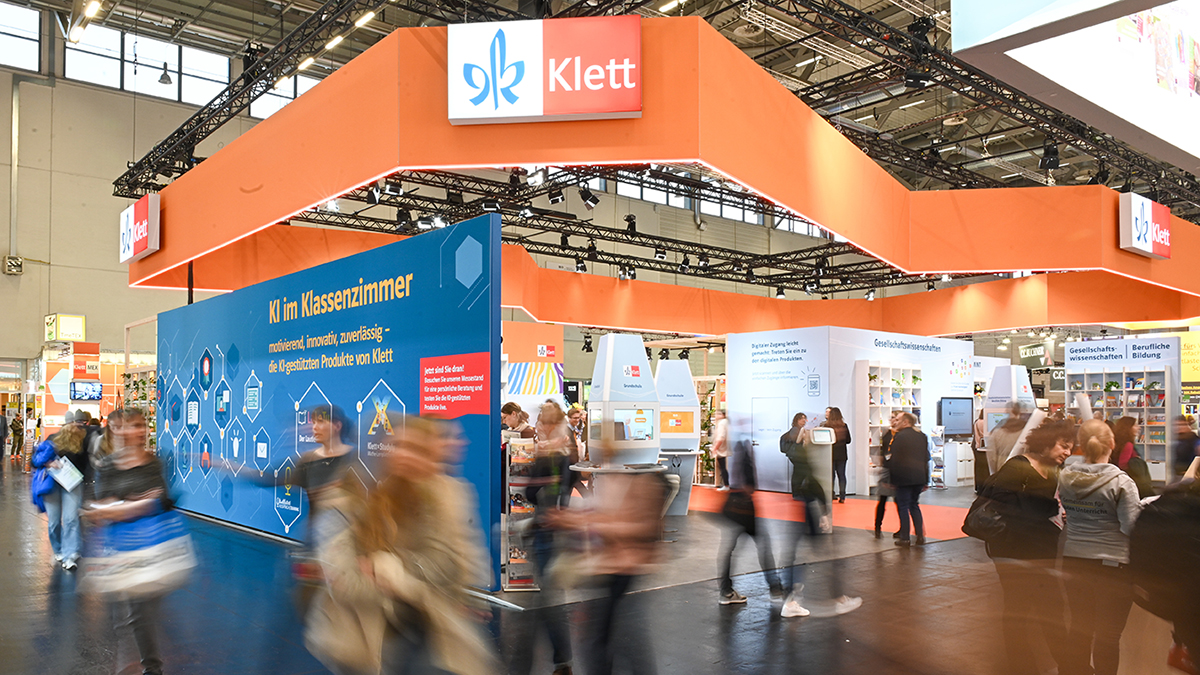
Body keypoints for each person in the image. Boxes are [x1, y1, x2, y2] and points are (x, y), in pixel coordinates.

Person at [311, 414, 499, 675]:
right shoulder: (346, 502)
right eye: (398, 446)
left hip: (427, 632)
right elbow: (346, 582)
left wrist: (386, 568)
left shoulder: (439, 500)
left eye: (418, 449)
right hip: (365, 638)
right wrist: (412, 579)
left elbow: (448, 565)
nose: (406, 456)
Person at [547, 443, 668, 675]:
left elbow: (636, 527)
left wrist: (592, 525)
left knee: (616, 642)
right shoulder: (615, 478)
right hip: (612, 571)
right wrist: (576, 520)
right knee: (605, 641)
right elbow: (606, 516)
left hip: (624, 571)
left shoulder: (640, 482)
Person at [981, 419, 1074, 675]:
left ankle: (1067, 665)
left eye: (1070, 447)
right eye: (1063, 445)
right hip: (1012, 551)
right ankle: (1023, 665)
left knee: (1050, 608)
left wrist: (1059, 511)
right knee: (1019, 609)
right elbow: (1000, 503)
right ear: (1046, 443)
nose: (1068, 452)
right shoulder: (1018, 466)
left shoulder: (1053, 470)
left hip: (1041, 549)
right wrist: (1049, 508)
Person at [83, 408, 172, 675]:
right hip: (124, 548)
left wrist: (133, 504)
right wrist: (133, 505)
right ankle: (150, 666)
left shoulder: (154, 462)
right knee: (135, 614)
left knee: (144, 612)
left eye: (143, 425)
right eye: (133, 425)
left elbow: (162, 499)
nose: (140, 431)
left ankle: (150, 665)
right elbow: (103, 503)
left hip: (154, 545)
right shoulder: (109, 465)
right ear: (119, 430)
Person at [1058, 419, 1143, 675]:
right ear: (1112, 443)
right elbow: (1130, 528)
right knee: (1108, 636)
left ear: (1081, 445)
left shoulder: (1065, 476)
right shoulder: (1121, 482)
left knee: (1079, 628)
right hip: (1113, 567)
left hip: (1074, 560)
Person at [778, 412, 862, 618]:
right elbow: (812, 483)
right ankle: (835, 599)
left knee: (799, 554)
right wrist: (823, 511)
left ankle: (790, 597)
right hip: (807, 508)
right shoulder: (802, 455)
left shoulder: (798, 454)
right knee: (821, 554)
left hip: (802, 507)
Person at [717, 435, 782, 606]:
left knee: (731, 550)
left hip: (734, 507)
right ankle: (775, 587)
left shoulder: (736, 449)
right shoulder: (743, 450)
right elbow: (749, 484)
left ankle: (726, 590)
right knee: (763, 546)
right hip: (744, 510)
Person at [42, 413, 91, 570]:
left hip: (73, 484)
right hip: (52, 484)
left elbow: (86, 464)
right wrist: (49, 464)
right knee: (54, 521)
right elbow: (37, 459)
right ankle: (59, 549)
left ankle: (69, 554)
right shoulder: (52, 438)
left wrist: (83, 478)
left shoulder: (81, 441)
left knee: (71, 519)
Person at [885, 413, 929, 547]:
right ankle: (920, 536)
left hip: (903, 477)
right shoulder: (922, 436)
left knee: (903, 506)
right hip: (919, 477)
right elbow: (926, 458)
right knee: (914, 505)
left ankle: (905, 537)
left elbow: (895, 460)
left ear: (905, 422)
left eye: (898, 419)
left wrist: (892, 480)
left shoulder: (899, 437)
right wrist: (926, 479)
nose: (895, 422)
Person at [1112, 416, 1154, 499]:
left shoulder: (1117, 443)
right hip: (1133, 482)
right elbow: (1123, 465)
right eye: (1135, 425)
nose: (1139, 428)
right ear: (1128, 428)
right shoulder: (1128, 445)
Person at [873, 411, 899, 538]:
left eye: (895, 418)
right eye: (891, 418)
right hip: (886, 470)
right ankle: (877, 526)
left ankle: (903, 528)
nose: (892, 420)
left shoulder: (901, 435)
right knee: (882, 500)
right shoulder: (887, 434)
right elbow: (883, 450)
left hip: (898, 471)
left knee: (899, 502)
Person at [823, 407, 851, 503]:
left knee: (831, 476)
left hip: (830, 453)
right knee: (842, 475)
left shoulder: (827, 426)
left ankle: (830, 494)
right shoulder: (844, 426)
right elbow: (848, 440)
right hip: (842, 454)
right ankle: (842, 496)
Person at [986, 405, 1025, 475]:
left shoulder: (996, 432)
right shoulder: (1026, 431)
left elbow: (992, 458)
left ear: (1007, 411)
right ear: (1019, 412)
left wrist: (994, 473)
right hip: (1021, 470)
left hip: (1002, 468)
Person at [1174, 415, 1200, 482]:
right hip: (1180, 474)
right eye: (1176, 425)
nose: (1178, 427)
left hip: (1189, 476)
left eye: (1181, 425)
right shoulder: (1181, 438)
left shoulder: (1193, 438)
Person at [711, 410, 729, 491]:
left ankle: (726, 485)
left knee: (723, 467)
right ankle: (726, 484)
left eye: (718, 414)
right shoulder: (725, 422)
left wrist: (715, 448)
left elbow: (721, 437)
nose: (716, 415)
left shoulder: (722, 423)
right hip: (724, 449)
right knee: (723, 467)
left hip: (722, 450)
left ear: (723, 415)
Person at [972, 410, 989, 491]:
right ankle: (985, 488)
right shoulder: (988, 422)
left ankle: (978, 487)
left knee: (978, 467)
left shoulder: (977, 422)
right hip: (986, 447)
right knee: (986, 468)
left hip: (977, 446)